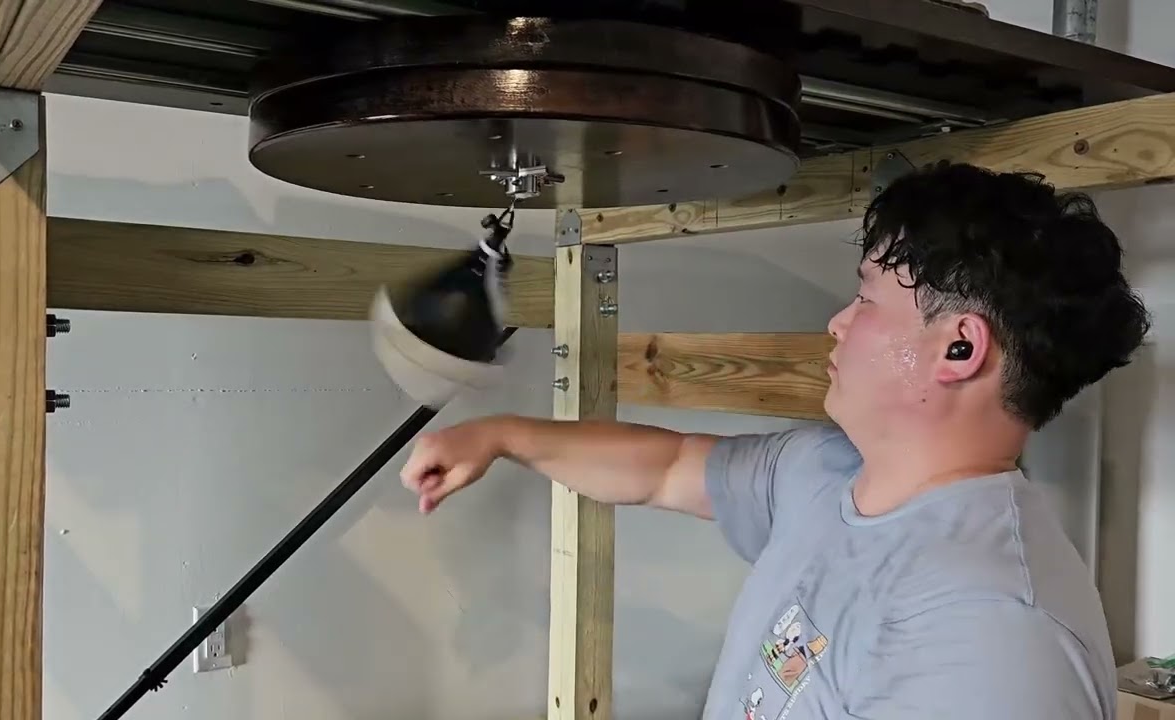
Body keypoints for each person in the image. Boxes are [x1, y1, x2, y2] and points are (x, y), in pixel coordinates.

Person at [398, 162, 1151, 719]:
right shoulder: (827, 473)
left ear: (960, 348)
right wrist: (502, 436)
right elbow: (666, 467)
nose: (838, 323)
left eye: (866, 298)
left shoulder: (988, 629)